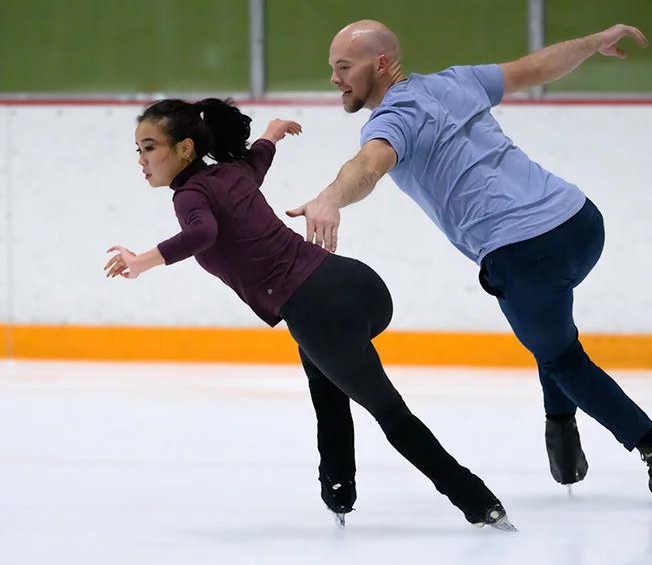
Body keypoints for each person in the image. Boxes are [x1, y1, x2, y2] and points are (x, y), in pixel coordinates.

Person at [287, 20, 652, 504]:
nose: (336, 79)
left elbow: (366, 166)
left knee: (562, 357)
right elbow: (535, 68)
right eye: (332, 68)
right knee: (550, 335)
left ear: (381, 64)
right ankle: (562, 430)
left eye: (344, 67)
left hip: (525, 253)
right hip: (581, 223)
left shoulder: (392, 120)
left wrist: (329, 198)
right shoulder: (457, 81)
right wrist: (592, 43)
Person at [103, 97, 517, 530]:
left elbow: (202, 232)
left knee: (390, 413)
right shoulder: (232, 173)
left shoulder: (190, 194)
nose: (142, 160)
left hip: (319, 309)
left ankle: (480, 503)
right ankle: (338, 490)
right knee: (325, 382)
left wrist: (142, 261)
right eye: (138, 149)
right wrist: (272, 133)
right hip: (356, 284)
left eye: (149, 148)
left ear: (185, 148)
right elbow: (258, 160)